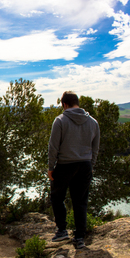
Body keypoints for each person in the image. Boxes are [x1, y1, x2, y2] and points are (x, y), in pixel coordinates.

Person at [48, 91, 100, 249]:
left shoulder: (60, 120)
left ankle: (62, 230)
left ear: (64, 104)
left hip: (65, 165)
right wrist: (91, 165)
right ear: (77, 103)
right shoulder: (93, 122)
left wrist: (51, 167)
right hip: (85, 165)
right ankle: (79, 238)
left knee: (57, 197)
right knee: (80, 202)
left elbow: (53, 147)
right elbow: (95, 148)